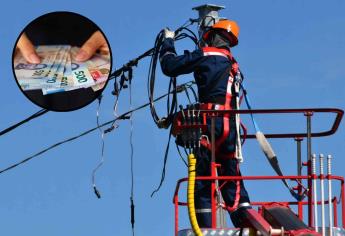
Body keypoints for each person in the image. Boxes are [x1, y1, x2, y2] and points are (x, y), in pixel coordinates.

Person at [159, 20, 251, 228]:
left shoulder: (206, 55)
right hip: (230, 130)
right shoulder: (232, 64)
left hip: (209, 126)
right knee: (232, 180)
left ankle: (206, 229)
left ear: (211, 36)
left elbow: (170, 66)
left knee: (203, 181)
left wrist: (168, 42)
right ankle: (246, 224)